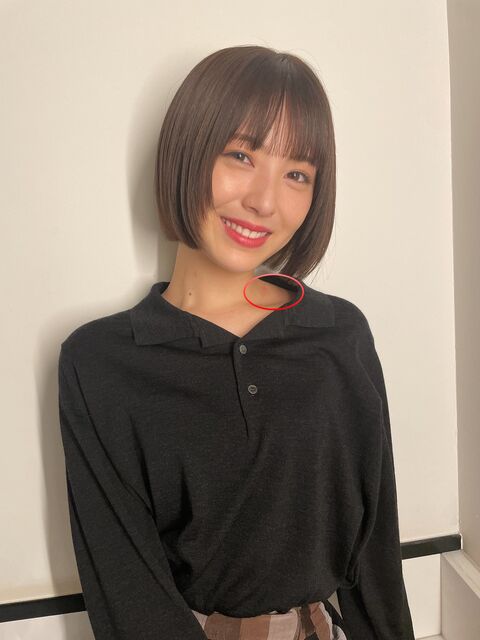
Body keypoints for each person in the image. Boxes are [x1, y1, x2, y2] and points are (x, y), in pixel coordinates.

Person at [57, 45, 416, 640]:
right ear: (188, 151)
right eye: (241, 155)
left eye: (297, 174)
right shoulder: (100, 362)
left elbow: (375, 554)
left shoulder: (340, 335)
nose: (264, 201)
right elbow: (126, 590)